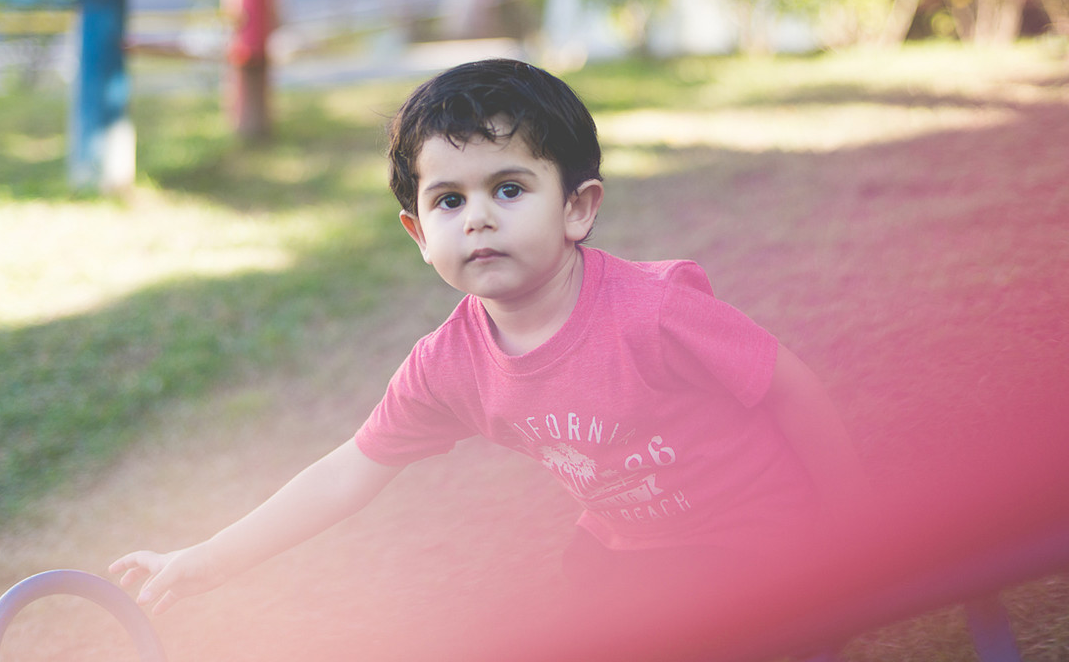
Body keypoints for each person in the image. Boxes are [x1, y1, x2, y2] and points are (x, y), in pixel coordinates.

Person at [110, 59, 865, 653]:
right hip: (626, 548)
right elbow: (347, 472)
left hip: (755, 537)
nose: (477, 219)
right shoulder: (449, 364)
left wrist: (855, 530)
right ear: (418, 233)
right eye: (449, 201)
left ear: (577, 207)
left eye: (508, 189)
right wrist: (205, 558)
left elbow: (787, 389)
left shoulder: (655, 314)